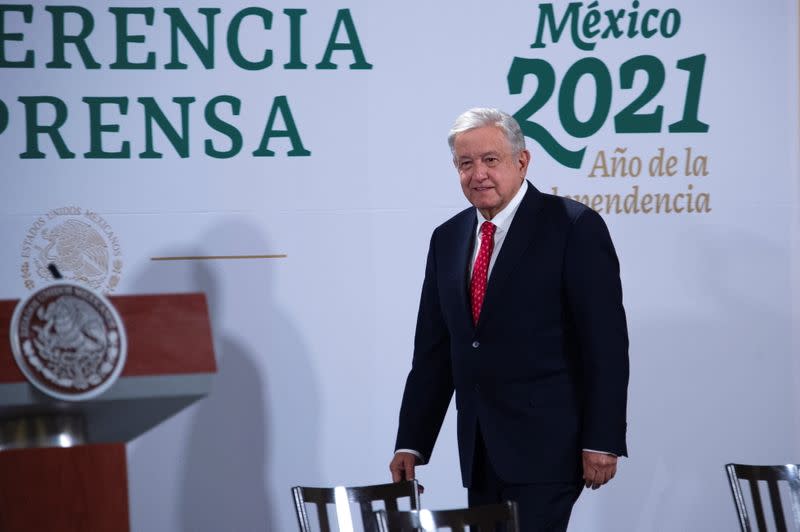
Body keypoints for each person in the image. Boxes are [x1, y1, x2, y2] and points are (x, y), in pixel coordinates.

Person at [389, 108, 629, 531]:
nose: (478, 173)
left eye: (490, 160)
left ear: (522, 161)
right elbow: (435, 351)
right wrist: (412, 442)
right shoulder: (447, 239)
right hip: (481, 450)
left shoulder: (573, 226)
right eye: (466, 163)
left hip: (550, 448)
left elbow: (605, 345)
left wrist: (602, 440)